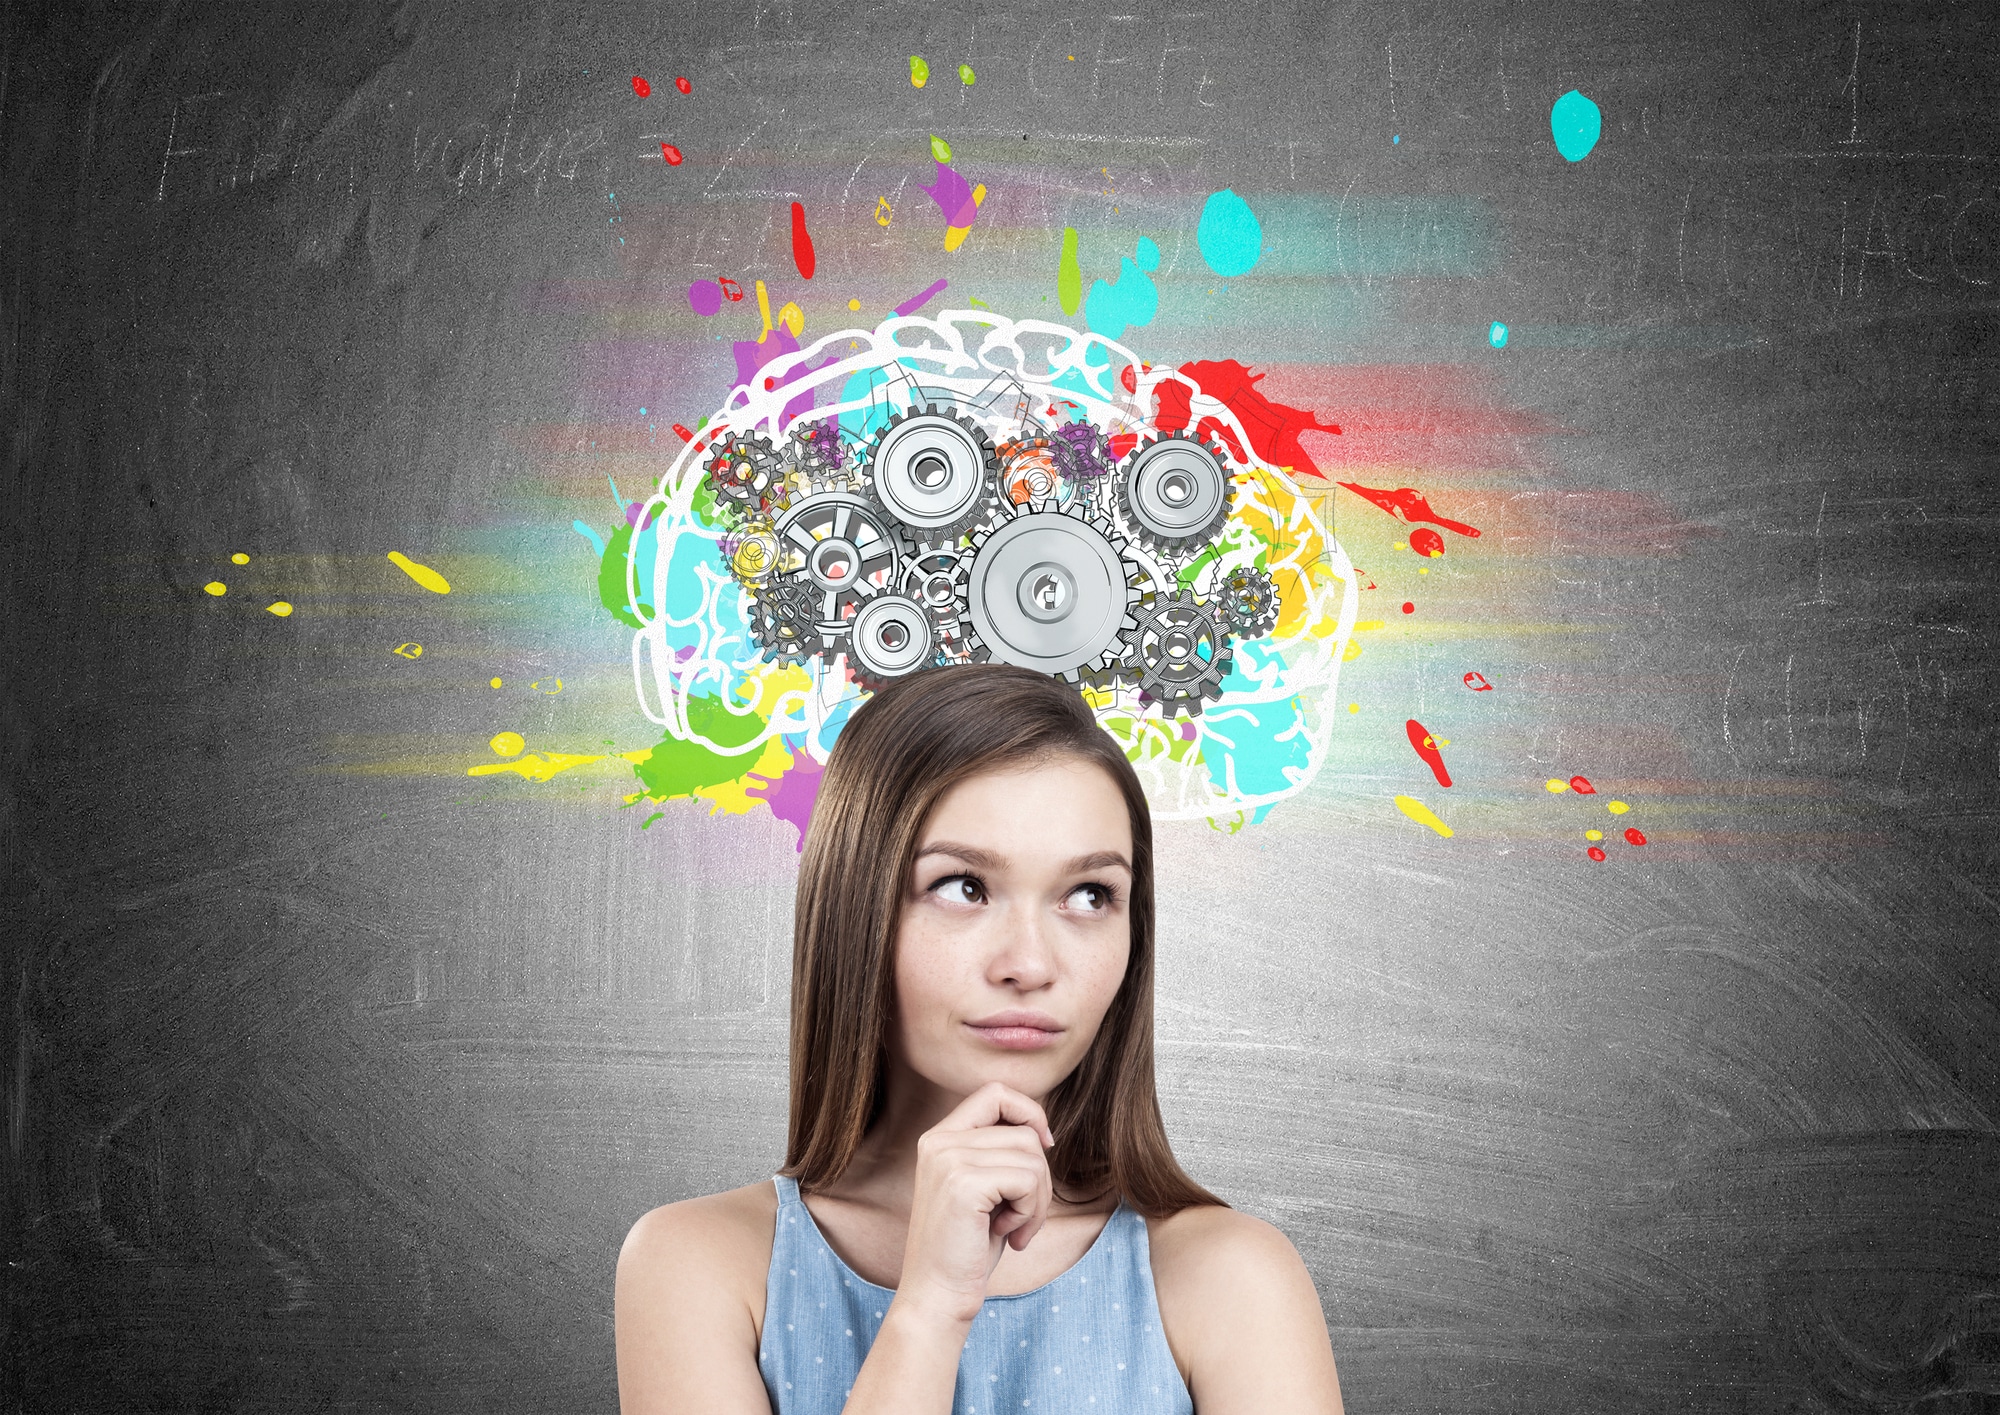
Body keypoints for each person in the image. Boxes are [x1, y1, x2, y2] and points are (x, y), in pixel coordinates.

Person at [615, 663, 1344, 1414]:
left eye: (1089, 894)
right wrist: (930, 1308)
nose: (1030, 964)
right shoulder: (698, 1266)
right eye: (964, 886)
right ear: (853, 910)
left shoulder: (1231, 1277)